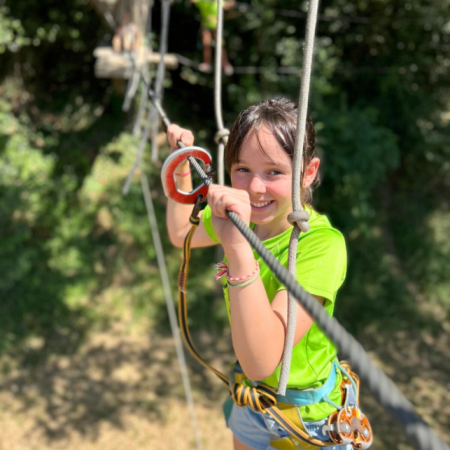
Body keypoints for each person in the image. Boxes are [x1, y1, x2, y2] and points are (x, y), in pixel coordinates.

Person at [165, 99, 367, 450]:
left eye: (273, 172)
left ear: (308, 172)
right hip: (253, 405)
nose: (254, 188)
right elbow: (181, 232)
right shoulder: (242, 220)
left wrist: (237, 250)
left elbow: (262, 361)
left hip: (312, 421)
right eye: (242, 169)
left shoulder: (320, 246)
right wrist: (183, 168)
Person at [189, 0, 235, 75]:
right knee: (206, 44)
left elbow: (229, 5)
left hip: (216, 26)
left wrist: (232, 2)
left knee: (220, 45)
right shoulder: (203, 1)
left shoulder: (219, 2)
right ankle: (207, 63)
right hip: (206, 25)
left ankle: (225, 64)